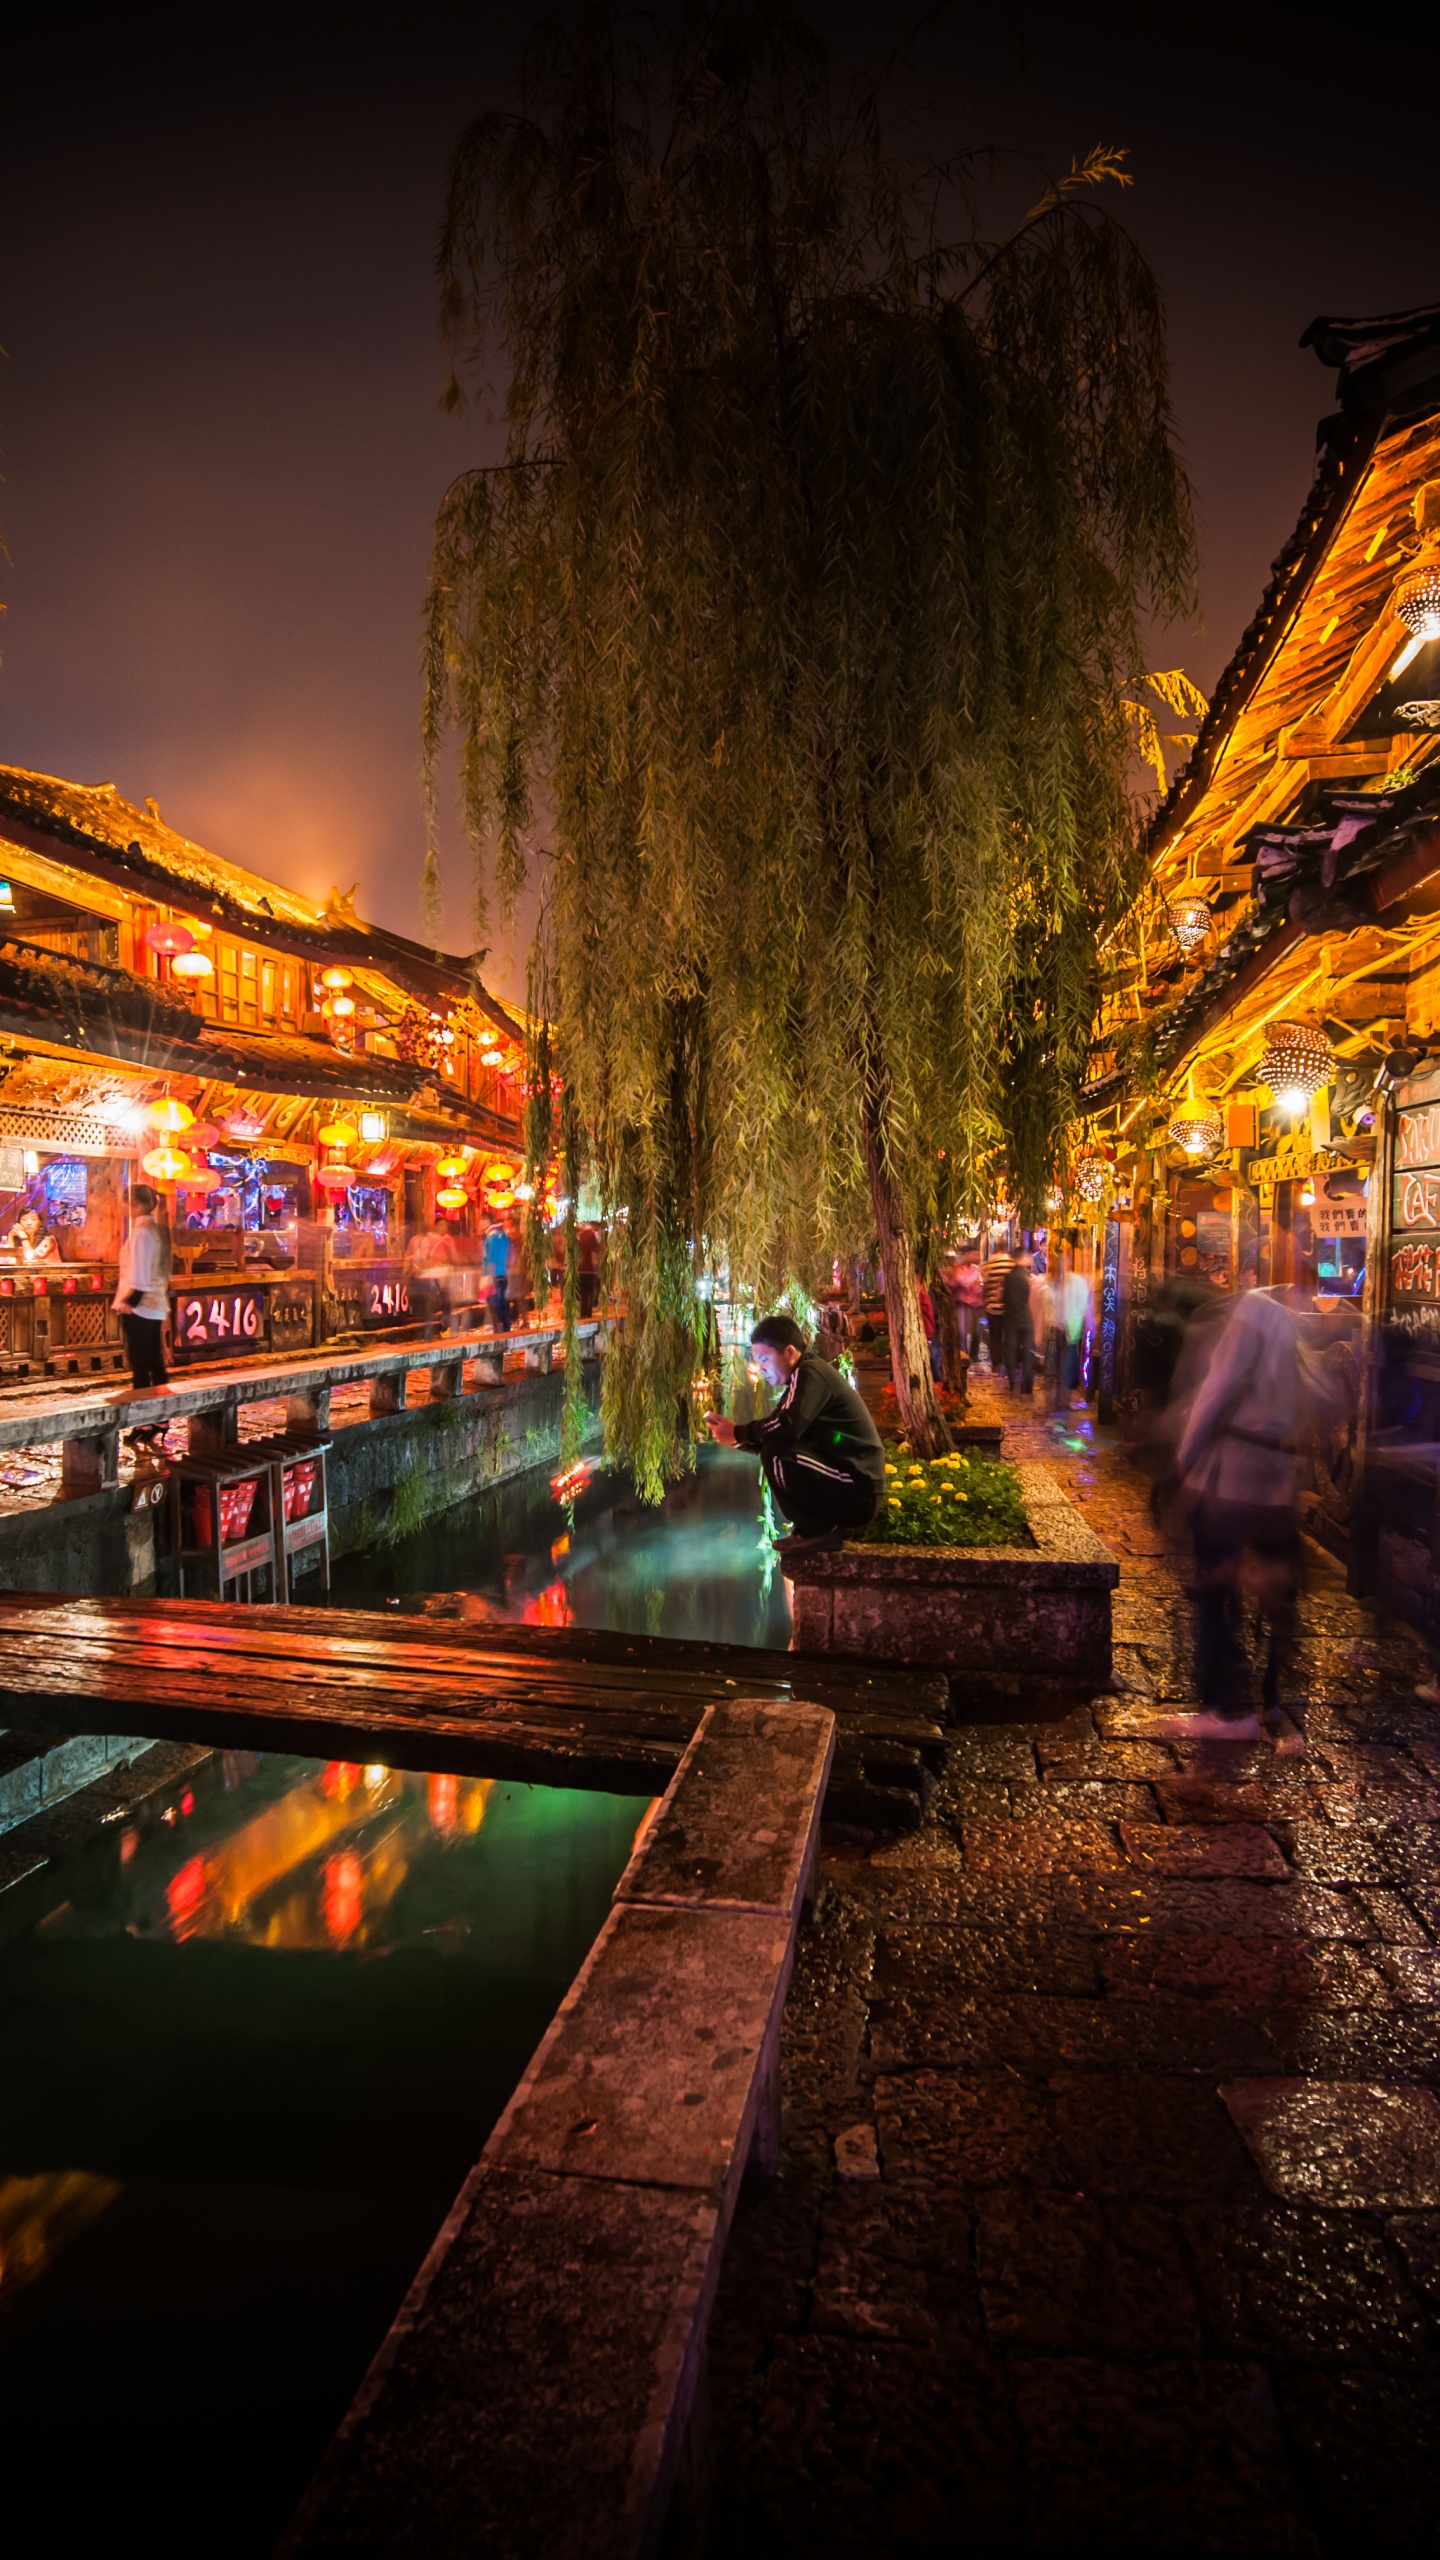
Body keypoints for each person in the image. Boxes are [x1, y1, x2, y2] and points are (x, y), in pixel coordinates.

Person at [1169, 1284, 1305, 1744]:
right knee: (1276, 1588)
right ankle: (1274, 1702)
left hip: (1234, 1473)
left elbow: (1220, 1384)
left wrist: (1187, 1453)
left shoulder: (1252, 1310)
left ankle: (1220, 1708)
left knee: (1214, 1581)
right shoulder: (1295, 1321)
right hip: (1278, 1473)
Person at [705, 1313, 884, 1557]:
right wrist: (737, 1440)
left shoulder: (810, 1373)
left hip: (858, 1491)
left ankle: (816, 1531)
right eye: (758, 1361)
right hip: (848, 1487)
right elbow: (781, 1433)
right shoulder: (801, 1379)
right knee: (775, 1451)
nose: (761, 1368)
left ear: (789, 1352)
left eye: (766, 1359)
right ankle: (812, 1529)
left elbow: (786, 1427)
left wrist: (739, 1431)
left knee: (776, 1454)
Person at [113, 1182, 171, 1393]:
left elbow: (140, 1274)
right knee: (154, 1361)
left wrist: (129, 1302)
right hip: (154, 1304)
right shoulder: (157, 1230)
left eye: (124, 1203)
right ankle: (159, 1417)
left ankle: (145, 1420)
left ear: (135, 1204)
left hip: (140, 1306)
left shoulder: (141, 1232)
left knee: (141, 1364)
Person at [1001, 1249, 1035, 1395]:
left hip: (1011, 1319)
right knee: (1028, 1353)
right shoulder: (1029, 1278)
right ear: (1024, 1258)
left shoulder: (1007, 1277)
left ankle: (1012, 1380)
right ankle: (1027, 1386)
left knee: (1011, 1351)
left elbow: (1003, 1298)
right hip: (1026, 1319)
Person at [981, 1244, 1012, 1373]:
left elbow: (984, 1285)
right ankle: (1009, 1362)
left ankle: (997, 1364)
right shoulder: (1011, 1264)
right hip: (1008, 1307)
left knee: (995, 1337)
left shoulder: (988, 1265)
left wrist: (986, 1301)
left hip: (992, 1307)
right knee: (1009, 1336)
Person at [951, 1252, 983, 1365]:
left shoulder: (977, 1269)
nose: (975, 1257)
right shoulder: (958, 1269)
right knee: (962, 1330)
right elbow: (959, 1282)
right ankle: (963, 1353)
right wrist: (970, 1284)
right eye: (972, 1255)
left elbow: (979, 1284)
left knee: (976, 1331)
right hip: (962, 1303)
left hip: (975, 1305)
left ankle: (974, 1354)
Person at [482, 1215, 514, 1332]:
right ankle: (506, 1327)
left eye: (483, 1220)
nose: (481, 1224)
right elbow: (511, 1256)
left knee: (494, 1305)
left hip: (493, 1275)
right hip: (503, 1274)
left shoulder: (491, 1238)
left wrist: (489, 1277)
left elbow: (490, 1258)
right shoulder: (505, 1237)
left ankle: (499, 1330)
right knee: (503, 1302)